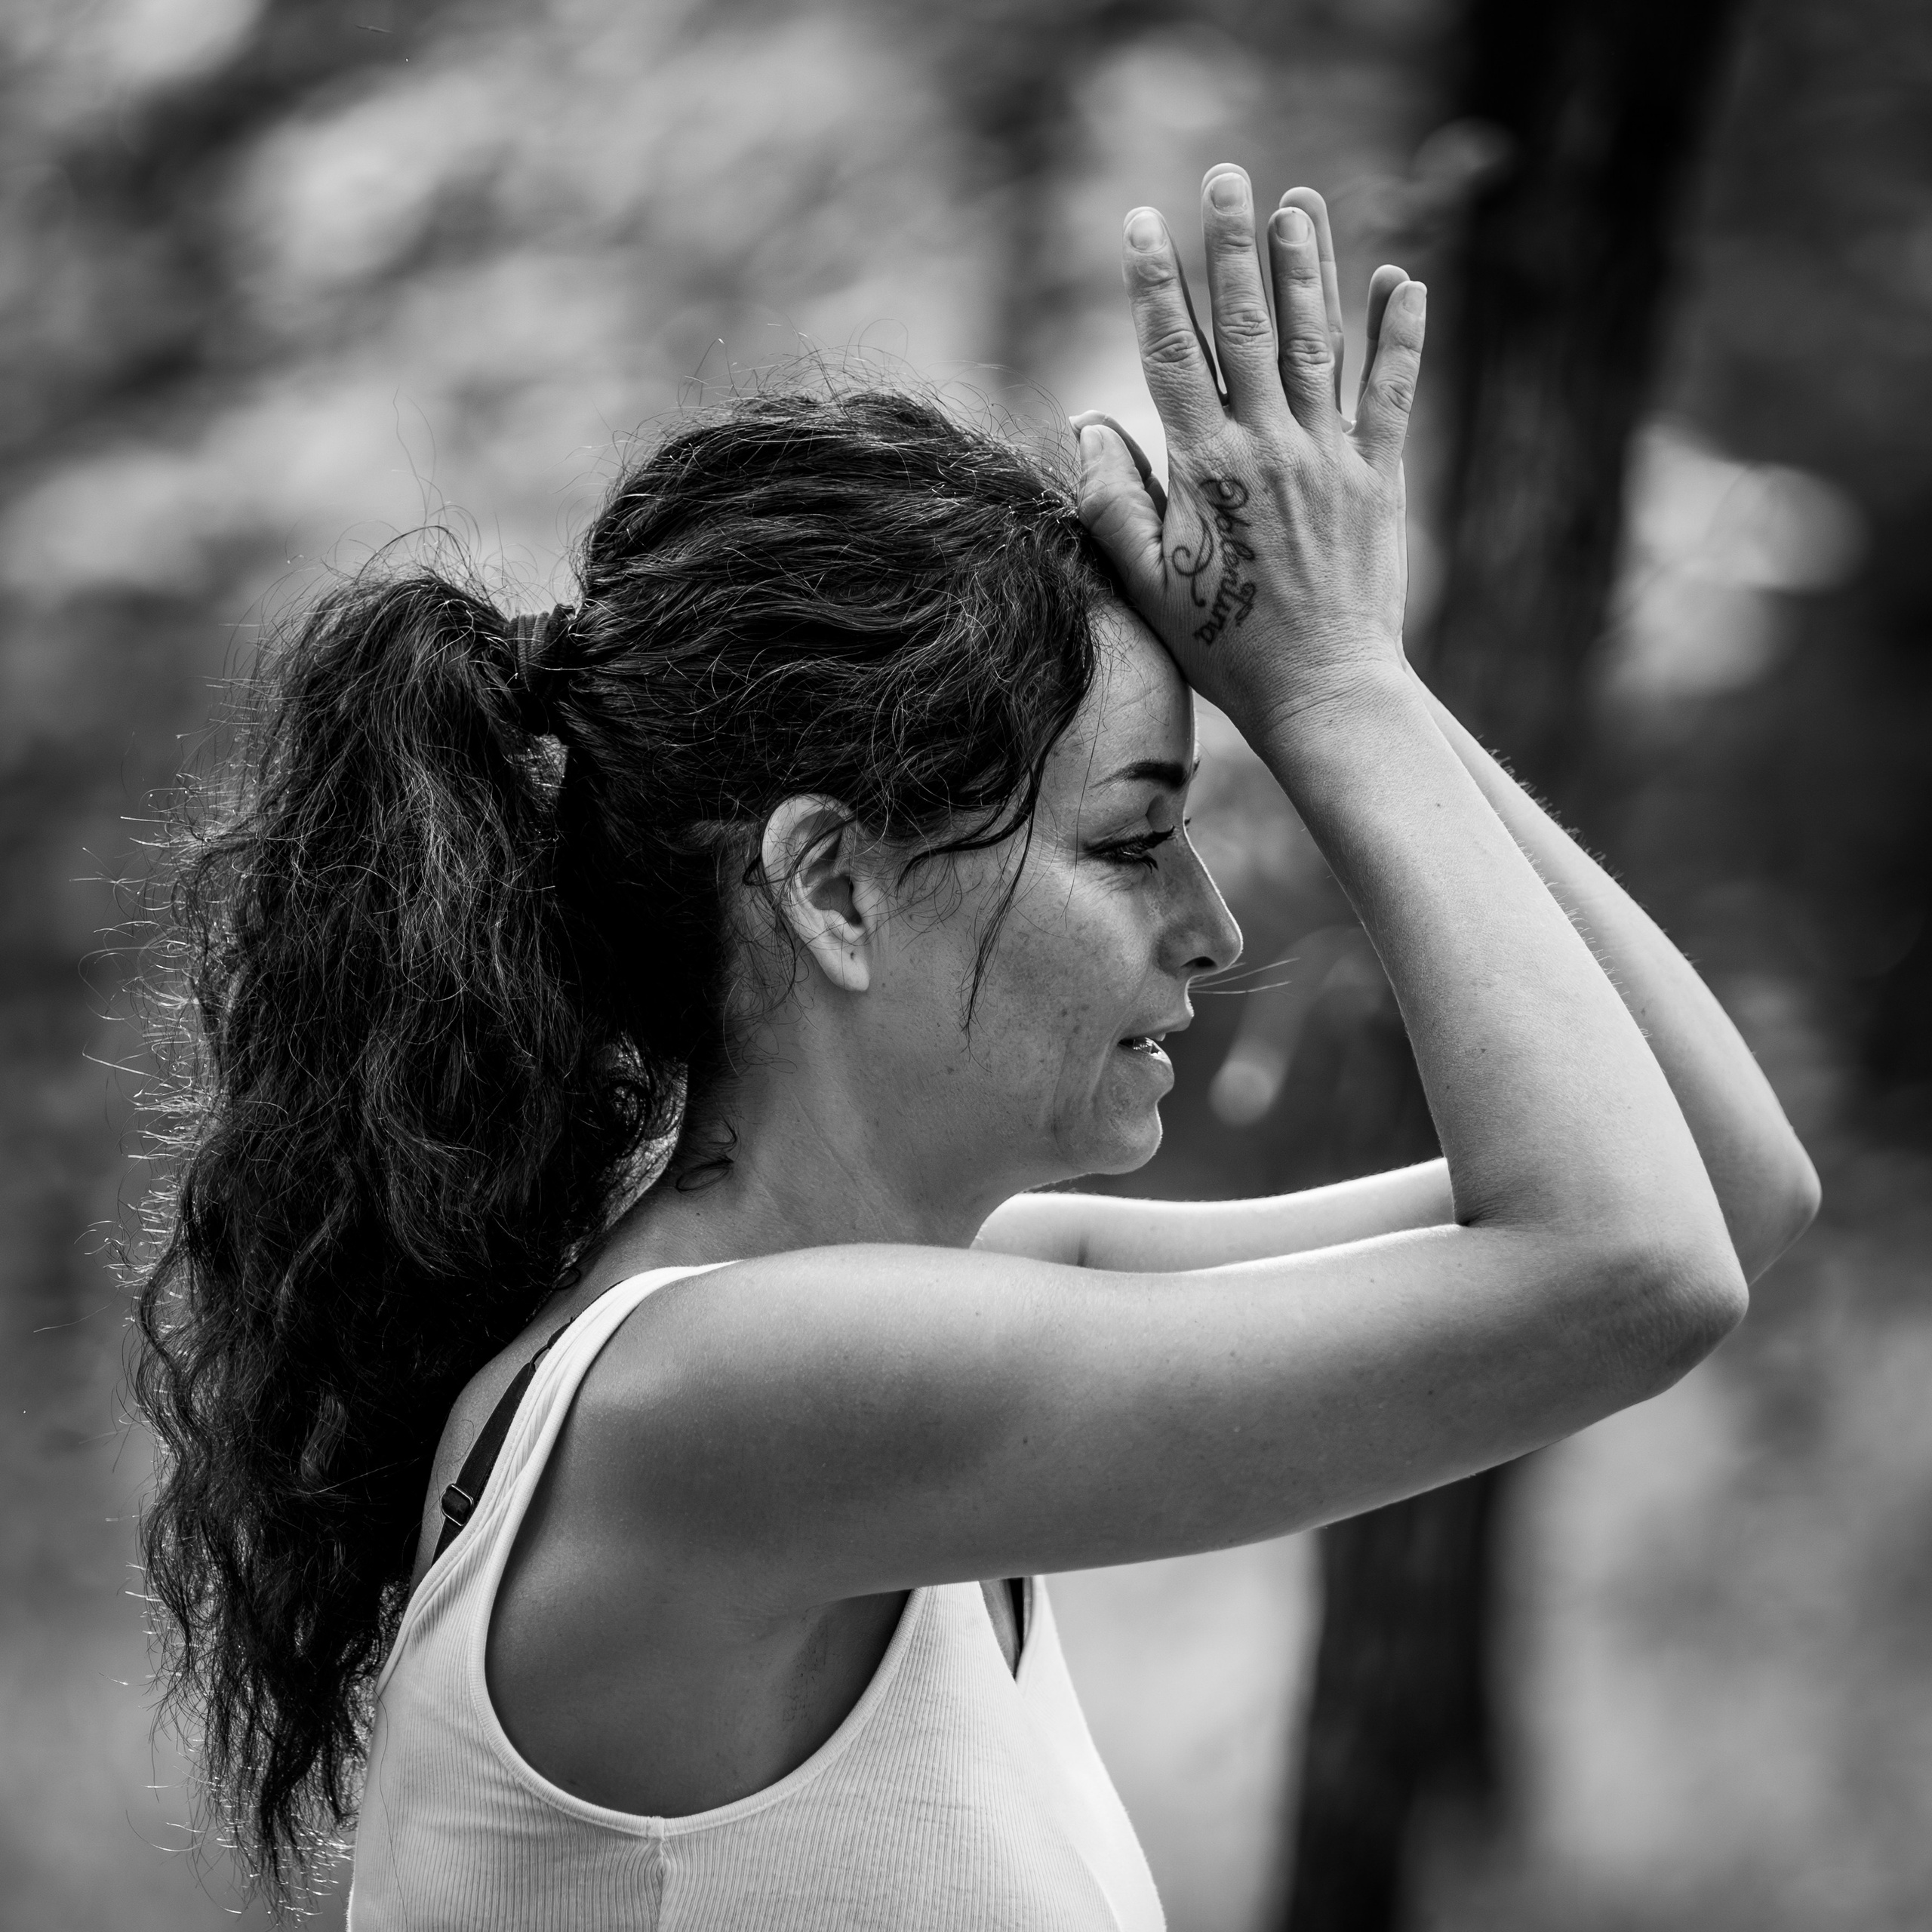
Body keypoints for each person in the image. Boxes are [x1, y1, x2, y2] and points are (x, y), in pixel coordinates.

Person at [134, 168, 1817, 1929]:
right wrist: (1329, 694)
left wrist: (1340, 662)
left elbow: (1721, 1192)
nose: (1212, 929)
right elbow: (1632, 1271)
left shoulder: (896, 1311)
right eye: (1122, 841)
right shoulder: (735, 1395)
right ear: (833, 886)